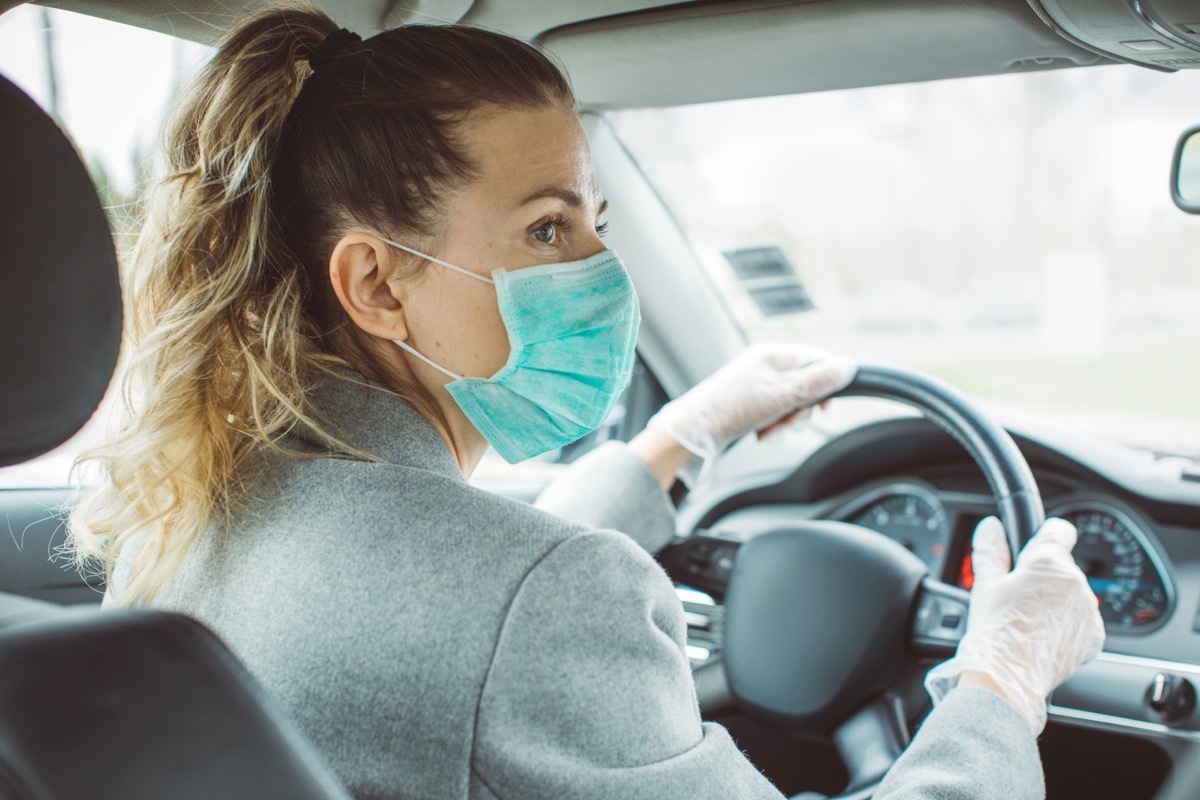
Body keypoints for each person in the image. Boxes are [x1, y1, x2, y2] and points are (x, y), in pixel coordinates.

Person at [69, 4, 1104, 799]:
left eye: (596, 221)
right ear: (376, 283)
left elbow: (456, 594)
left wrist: (678, 438)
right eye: (548, 229)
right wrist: (1001, 681)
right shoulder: (550, 600)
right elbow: (504, 605)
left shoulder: (190, 504)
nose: (604, 271)